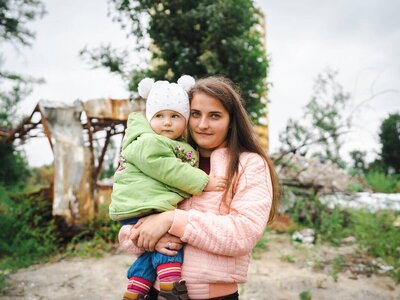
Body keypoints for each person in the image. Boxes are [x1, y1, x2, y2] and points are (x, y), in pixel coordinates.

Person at [120, 76, 280, 300]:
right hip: (157, 293)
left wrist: (170, 220)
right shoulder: (161, 160)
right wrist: (151, 238)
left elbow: (244, 233)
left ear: (231, 120)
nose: (202, 124)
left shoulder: (249, 164)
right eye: (195, 114)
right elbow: (127, 224)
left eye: (214, 115)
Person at [110, 75, 226, 300]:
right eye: (159, 116)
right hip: (144, 203)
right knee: (171, 242)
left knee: (155, 248)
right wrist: (204, 181)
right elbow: (170, 169)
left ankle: (135, 288)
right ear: (148, 117)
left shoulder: (167, 142)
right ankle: (170, 286)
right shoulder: (148, 141)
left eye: (175, 116)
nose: (167, 122)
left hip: (142, 204)